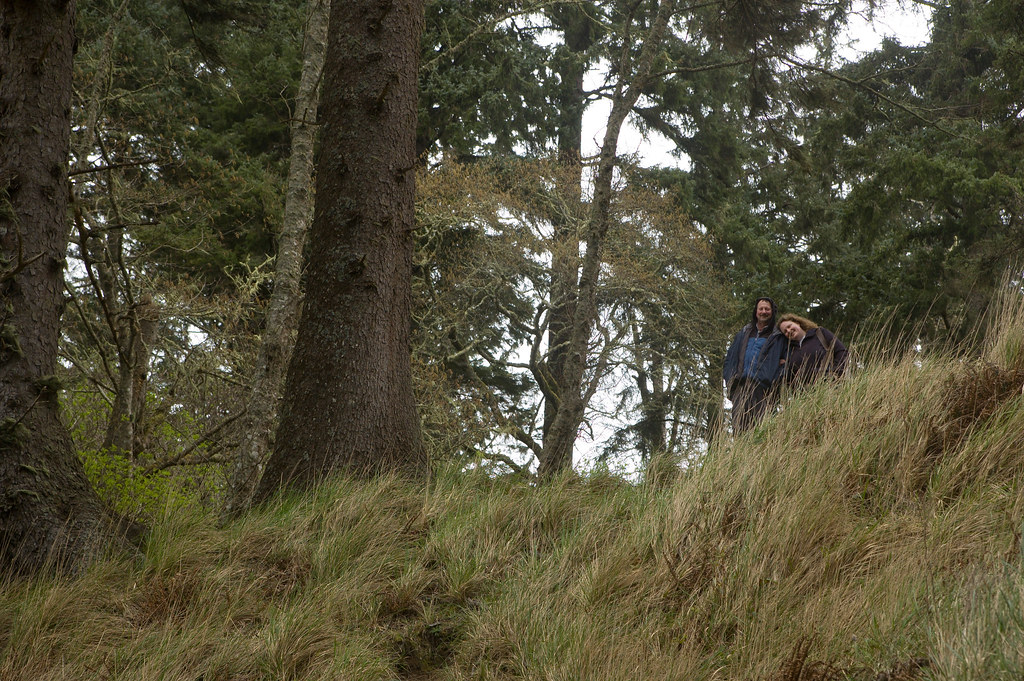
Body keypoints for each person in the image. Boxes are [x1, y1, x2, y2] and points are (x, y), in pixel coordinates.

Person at [723, 297, 787, 433]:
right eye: (761, 309)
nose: (764, 312)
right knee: (739, 430)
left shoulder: (778, 336)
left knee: (762, 431)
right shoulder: (744, 333)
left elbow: (786, 361)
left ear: (772, 311)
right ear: (756, 311)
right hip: (741, 387)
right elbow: (730, 359)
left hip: (764, 390)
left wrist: (775, 379)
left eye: (767, 309)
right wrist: (730, 380)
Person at [777, 313, 848, 387]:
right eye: (785, 331)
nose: (788, 331)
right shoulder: (790, 350)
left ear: (797, 323)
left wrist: (835, 373)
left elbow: (842, 352)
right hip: (809, 392)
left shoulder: (819, 333)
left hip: (832, 386)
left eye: (789, 326)